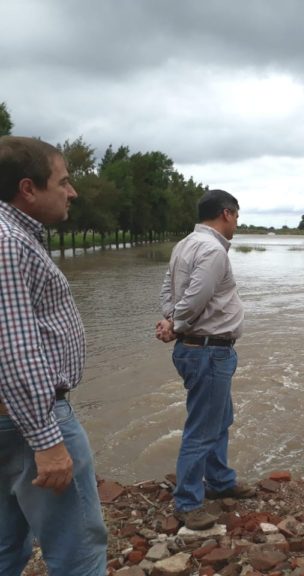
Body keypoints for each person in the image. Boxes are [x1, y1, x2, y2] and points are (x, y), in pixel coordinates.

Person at [0, 136, 108, 575]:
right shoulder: (8, 242)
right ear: (28, 188)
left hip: (10, 420)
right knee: (78, 552)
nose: (72, 192)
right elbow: (14, 349)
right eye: (63, 181)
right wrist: (47, 441)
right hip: (28, 421)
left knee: (6, 545)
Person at [156, 188, 254, 530]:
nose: (237, 224)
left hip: (198, 349)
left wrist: (170, 320)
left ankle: (221, 480)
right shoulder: (213, 250)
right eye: (237, 217)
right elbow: (196, 297)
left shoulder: (184, 244)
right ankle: (187, 502)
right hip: (209, 350)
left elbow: (168, 290)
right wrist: (177, 324)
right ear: (226, 213)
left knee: (219, 418)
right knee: (202, 428)